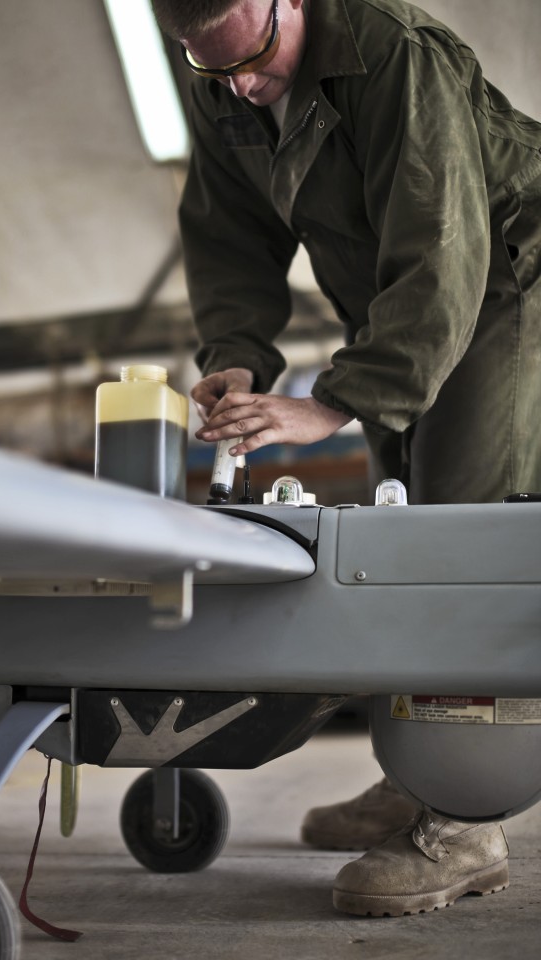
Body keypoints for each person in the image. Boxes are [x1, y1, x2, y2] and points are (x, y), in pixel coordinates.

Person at [150, 0, 541, 916]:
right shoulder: (221, 77)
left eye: (251, 55)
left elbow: (446, 259)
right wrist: (235, 355)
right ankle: (421, 777)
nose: (238, 85)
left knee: (461, 544)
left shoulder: (396, 55)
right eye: (211, 70)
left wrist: (327, 404)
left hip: (507, 285)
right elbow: (228, 236)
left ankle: (467, 824)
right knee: (399, 540)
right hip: (398, 315)